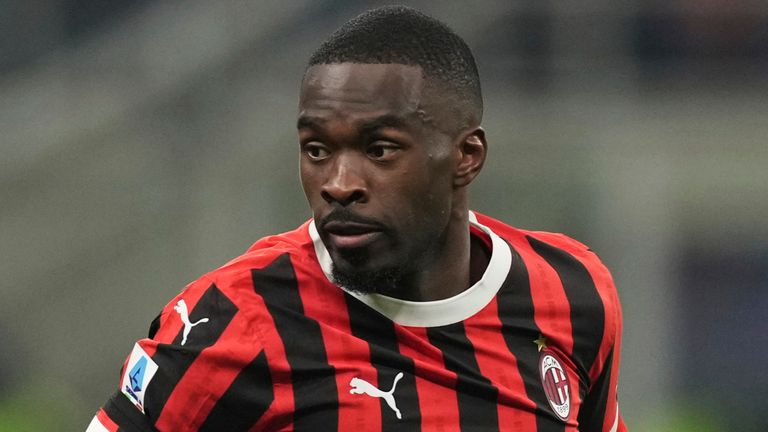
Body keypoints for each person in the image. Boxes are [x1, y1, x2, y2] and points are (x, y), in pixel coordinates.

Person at [87, 6, 626, 432]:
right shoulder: (234, 319)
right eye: (317, 149)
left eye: (380, 149)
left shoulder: (572, 291)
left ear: (467, 157)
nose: (339, 183)